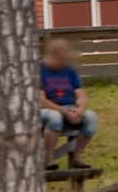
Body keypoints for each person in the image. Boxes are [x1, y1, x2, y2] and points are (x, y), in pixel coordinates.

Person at [40, 38, 99, 168]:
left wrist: (80, 110)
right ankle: (48, 159)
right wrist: (64, 112)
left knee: (91, 118)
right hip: (47, 109)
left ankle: (77, 157)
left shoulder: (69, 70)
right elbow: (41, 100)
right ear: (51, 55)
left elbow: (81, 95)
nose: (63, 62)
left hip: (70, 108)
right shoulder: (39, 70)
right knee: (54, 118)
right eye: (60, 58)